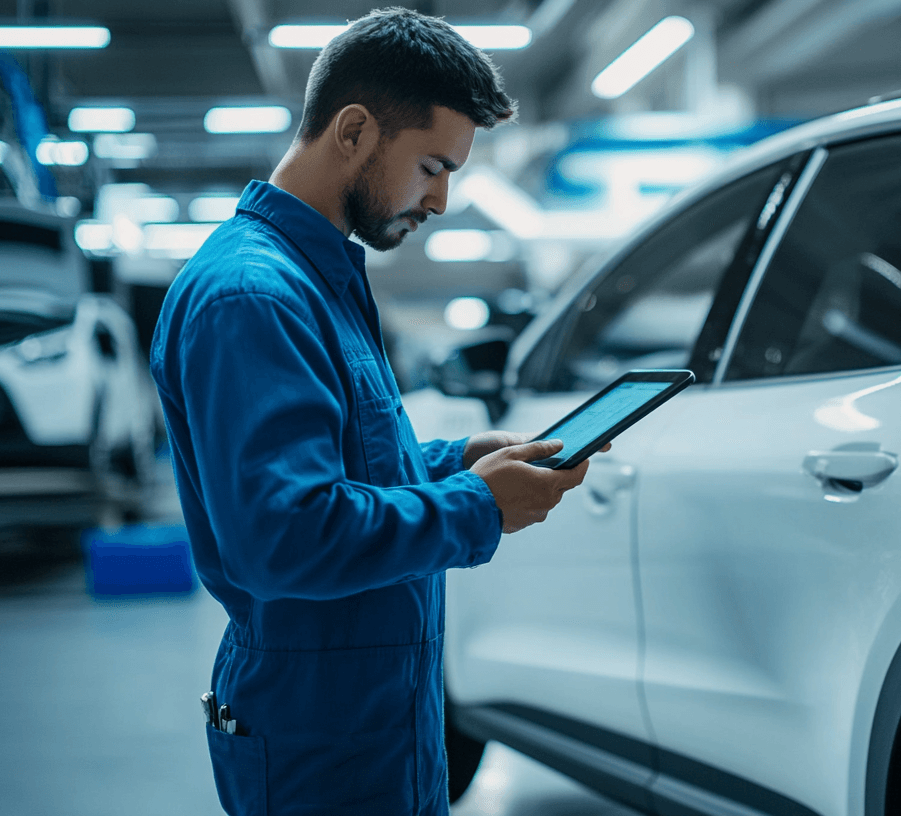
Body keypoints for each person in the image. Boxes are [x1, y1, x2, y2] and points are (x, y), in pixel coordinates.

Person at [149, 9, 591, 814]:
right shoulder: (254, 297)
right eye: (432, 165)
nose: (444, 199)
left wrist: (455, 462)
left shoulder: (320, 282)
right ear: (354, 131)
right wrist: (478, 506)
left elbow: (346, 469)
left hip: (375, 715)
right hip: (319, 732)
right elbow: (284, 536)